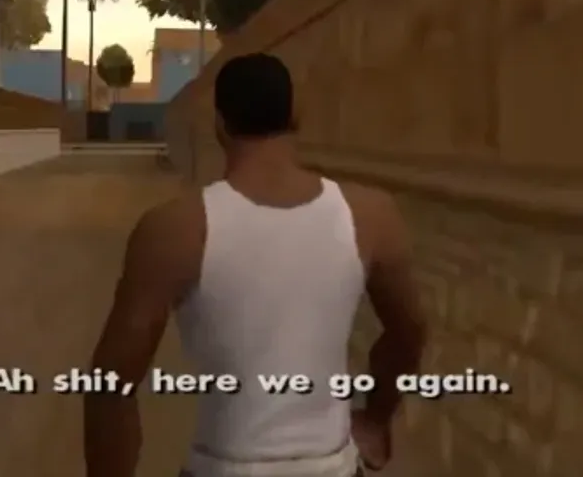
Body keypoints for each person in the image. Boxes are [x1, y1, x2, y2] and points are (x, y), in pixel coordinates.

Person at [84, 52, 427, 477]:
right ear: (295, 115)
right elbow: (410, 330)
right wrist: (375, 417)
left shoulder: (176, 228)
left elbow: (109, 385)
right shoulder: (370, 214)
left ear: (220, 126)